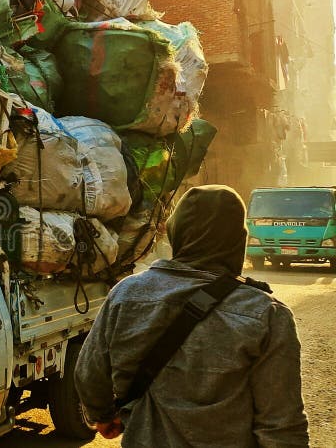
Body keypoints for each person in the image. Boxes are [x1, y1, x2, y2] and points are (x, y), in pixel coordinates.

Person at [74, 185, 309, 447]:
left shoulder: (126, 294)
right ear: (238, 241)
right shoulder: (266, 314)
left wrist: (103, 415)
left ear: (177, 233)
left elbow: (89, 374)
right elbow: (282, 427)